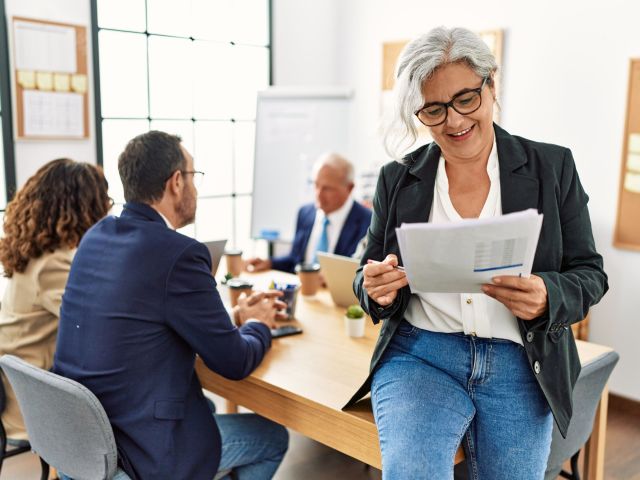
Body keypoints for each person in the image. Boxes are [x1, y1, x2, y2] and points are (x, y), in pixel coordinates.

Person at [345, 27, 608, 479]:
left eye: (466, 98)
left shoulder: (552, 167)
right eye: (433, 109)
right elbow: (366, 275)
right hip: (421, 356)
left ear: (491, 85)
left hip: (521, 363)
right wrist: (377, 288)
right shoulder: (397, 179)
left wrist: (549, 293)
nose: (453, 121)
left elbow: (590, 274)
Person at [53, 131, 289, 480]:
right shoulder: (179, 253)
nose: (195, 187)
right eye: (194, 176)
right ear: (176, 182)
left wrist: (234, 316)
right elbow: (235, 361)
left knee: (204, 407)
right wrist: (259, 324)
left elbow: (144, 320)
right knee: (272, 437)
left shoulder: (96, 236)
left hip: (82, 441)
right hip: (139, 450)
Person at [0, 159, 111, 441]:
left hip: (19, 387)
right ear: (83, 208)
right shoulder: (53, 264)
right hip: (33, 404)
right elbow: (99, 325)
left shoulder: (31, 252)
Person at [246, 153, 372, 273]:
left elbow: (362, 271)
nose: (318, 194)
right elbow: (295, 259)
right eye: (316, 185)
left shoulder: (368, 222)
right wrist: (270, 263)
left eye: (327, 189)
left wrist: (330, 276)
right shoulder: (305, 213)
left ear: (349, 188)